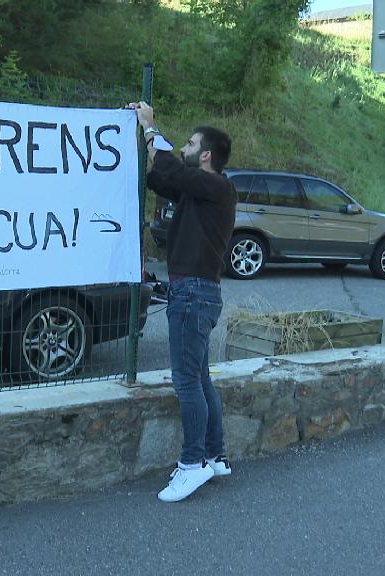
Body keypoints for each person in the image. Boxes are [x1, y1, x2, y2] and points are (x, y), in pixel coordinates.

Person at [128, 101, 236, 503]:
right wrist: (141, 136)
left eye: (191, 144)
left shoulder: (218, 185)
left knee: (186, 380)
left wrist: (151, 128)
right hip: (195, 293)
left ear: (205, 154)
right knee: (200, 377)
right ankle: (215, 453)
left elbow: (172, 168)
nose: (186, 147)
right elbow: (163, 177)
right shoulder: (199, 190)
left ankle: (192, 465)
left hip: (192, 293)